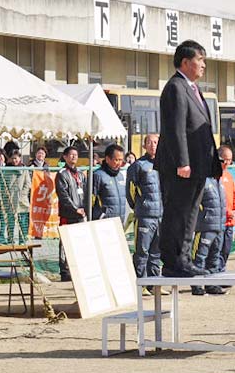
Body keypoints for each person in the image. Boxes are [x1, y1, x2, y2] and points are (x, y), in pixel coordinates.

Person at [155, 40, 220, 278]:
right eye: (199, 59)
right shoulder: (175, 87)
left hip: (198, 164)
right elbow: (176, 128)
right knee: (178, 211)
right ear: (185, 61)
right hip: (181, 165)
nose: (203, 65)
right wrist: (182, 161)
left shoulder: (192, 87)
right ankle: (172, 261)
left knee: (190, 212)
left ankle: (183, 258)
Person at [126, 134, 163, 284]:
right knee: (142, 251)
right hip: (145, 215)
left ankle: (155, 284)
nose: (153, 145)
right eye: (149, 142)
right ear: (144, 146)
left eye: (155, 142)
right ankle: (141, 283)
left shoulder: (165, 163)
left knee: (156, 252)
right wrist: (141, 206)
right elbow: (131, 192)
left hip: (161, 215)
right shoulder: (138, 166)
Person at [190, 178, 227, 296]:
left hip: (219, 226)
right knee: (199, 256)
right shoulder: (202, 181)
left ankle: (211, 283)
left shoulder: (219, 182)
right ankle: (196, 284)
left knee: (214, 257)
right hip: (205, 226)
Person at [56, 146, 88, 281]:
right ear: (65, 157)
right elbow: (63, 195)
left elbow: (86, 192)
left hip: (81, 214)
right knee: (65, 243)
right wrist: (75, 208)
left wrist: (85, 208)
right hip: (67, 214)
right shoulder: (62, 174)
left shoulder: (81, 174)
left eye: (76, 154)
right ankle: (64, 270)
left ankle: (78, 268)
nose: (73, 157)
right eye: (71, 155)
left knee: (80, 242)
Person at [215, 145, 235, 272]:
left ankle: (222, 270)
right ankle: (217, 273)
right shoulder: (214, 176)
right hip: (219, 221)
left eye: (230, 160)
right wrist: (227, 212)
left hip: (230, 221)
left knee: (226, 249)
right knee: (217, 250)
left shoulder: (229, 176)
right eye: (225, 159)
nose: (227, 162)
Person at [0, 149, 31, 244]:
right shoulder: (6, 170)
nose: (14, 160)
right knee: (10, 221)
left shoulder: (24, 169)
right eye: (12, 158)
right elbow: (2, 183)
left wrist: (23, 194)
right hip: (9, 199)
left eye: (16, 158)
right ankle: (10, 239)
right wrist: (6, 194)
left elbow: (28, 183)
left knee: (23, 221)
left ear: (19, 158)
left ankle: (22, 240)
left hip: (22, 200)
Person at [91, 144, 127, 225]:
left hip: (120, 221)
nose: (119, 163)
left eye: (121, 160)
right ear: (107, 159)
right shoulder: (98, 175)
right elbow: (90, 200)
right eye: (116, 160)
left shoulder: (120, 176)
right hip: (104, 222)